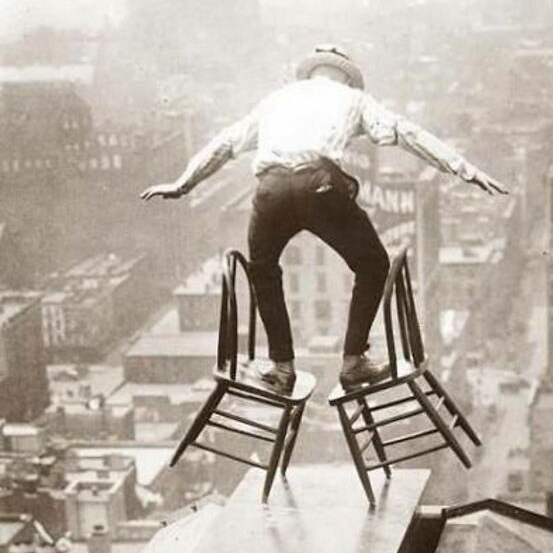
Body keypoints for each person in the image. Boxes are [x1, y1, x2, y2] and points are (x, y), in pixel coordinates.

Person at [141, 45, 507, 392]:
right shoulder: (354, 99)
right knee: (373, 265)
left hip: (270, 191)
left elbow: (224, 143)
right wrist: (464, 169)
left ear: (311, 73)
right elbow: (407, 134)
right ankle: (353, 362)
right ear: (346, 77)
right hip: (318, 185)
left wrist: (182, 184)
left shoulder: (276, 100)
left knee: (263, 270)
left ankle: (282, 369)